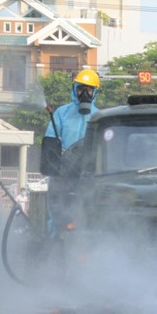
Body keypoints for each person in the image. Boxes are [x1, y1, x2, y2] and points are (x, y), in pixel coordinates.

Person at [44, 69, 101, 237]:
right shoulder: (62, 113)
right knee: (56, 212)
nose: (84, 94)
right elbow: (50, 143)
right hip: (62, 174)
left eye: (89, 90)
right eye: (81, 89)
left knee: (90, 213)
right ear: (74, 89)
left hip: (89, 176)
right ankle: (54, 242)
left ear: (95, 92)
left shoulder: (99, 117)